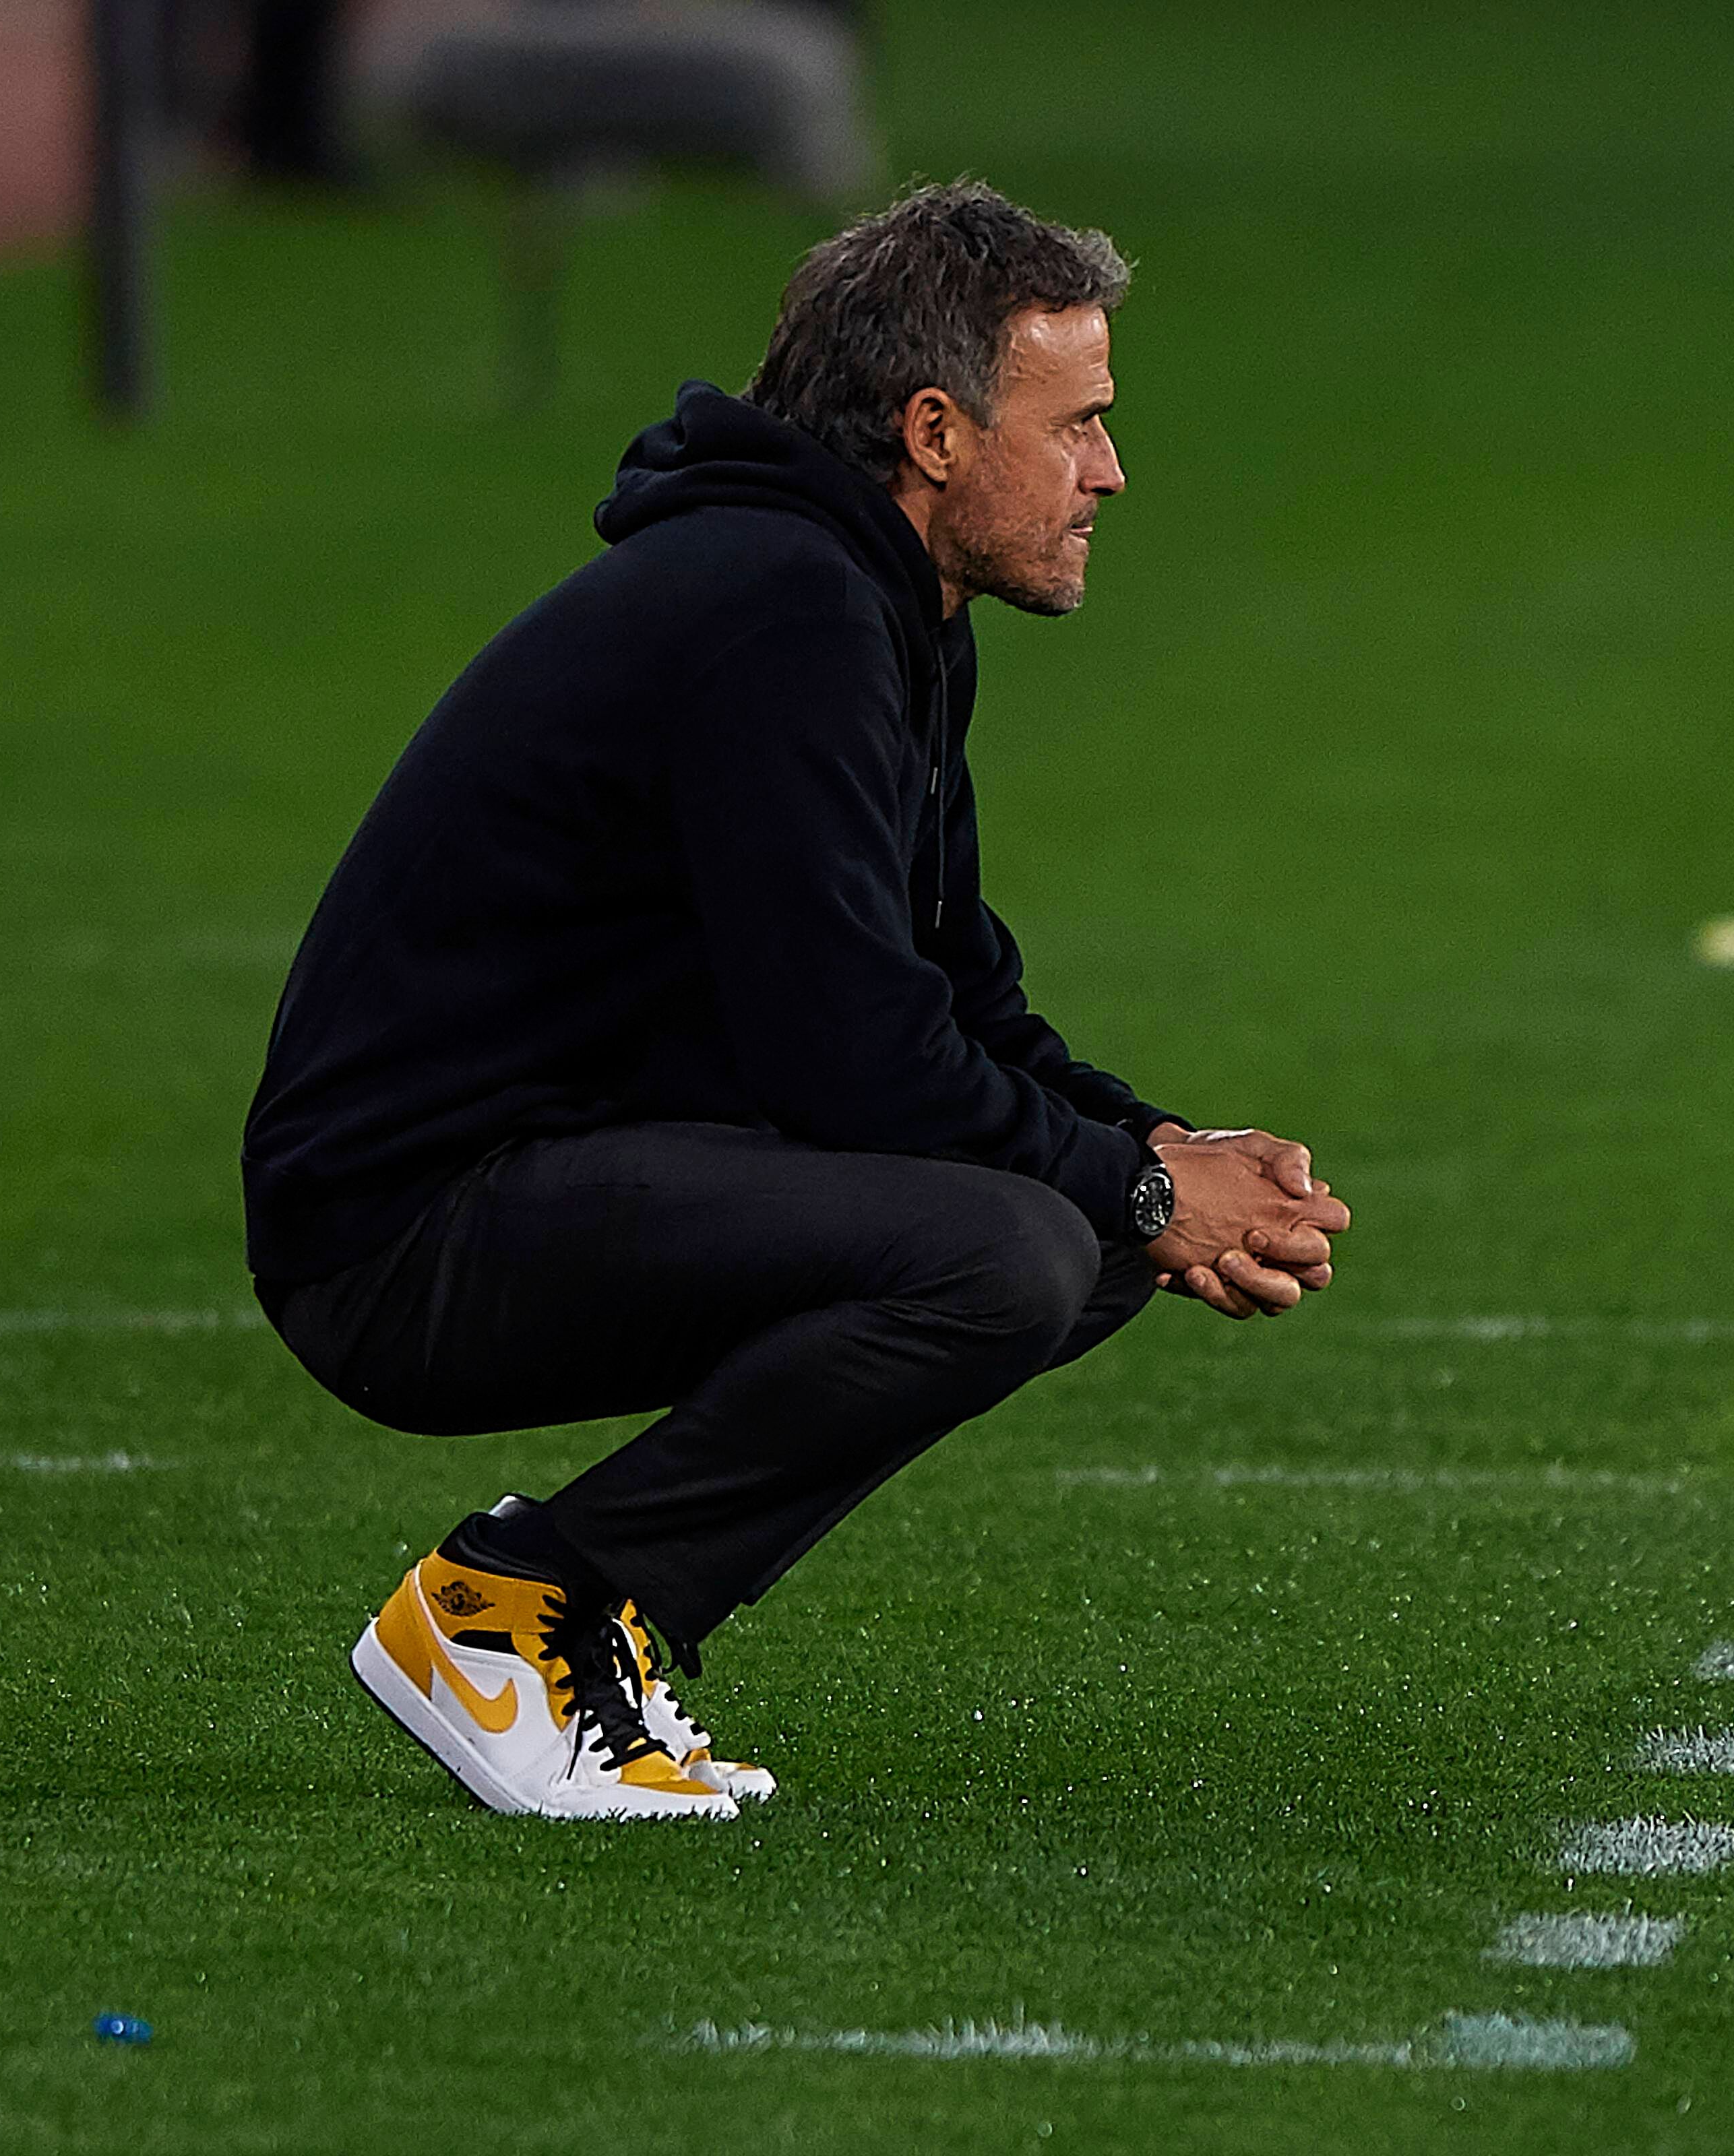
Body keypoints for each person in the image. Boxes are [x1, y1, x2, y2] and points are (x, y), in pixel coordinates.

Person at [242, 179, 1350, 1821]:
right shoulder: (785, 607)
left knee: (1078, 1229)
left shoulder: (878, 606)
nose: (1110, 472)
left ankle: (561, 1609)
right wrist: (1133, 1183)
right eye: (1081, 426)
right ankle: (517, 1611)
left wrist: (1160, 1147)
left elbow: (956, 992)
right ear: (935, 432)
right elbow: (857, 1059)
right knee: (1018, 1243)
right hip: (406, 1229)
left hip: (560, 1161)